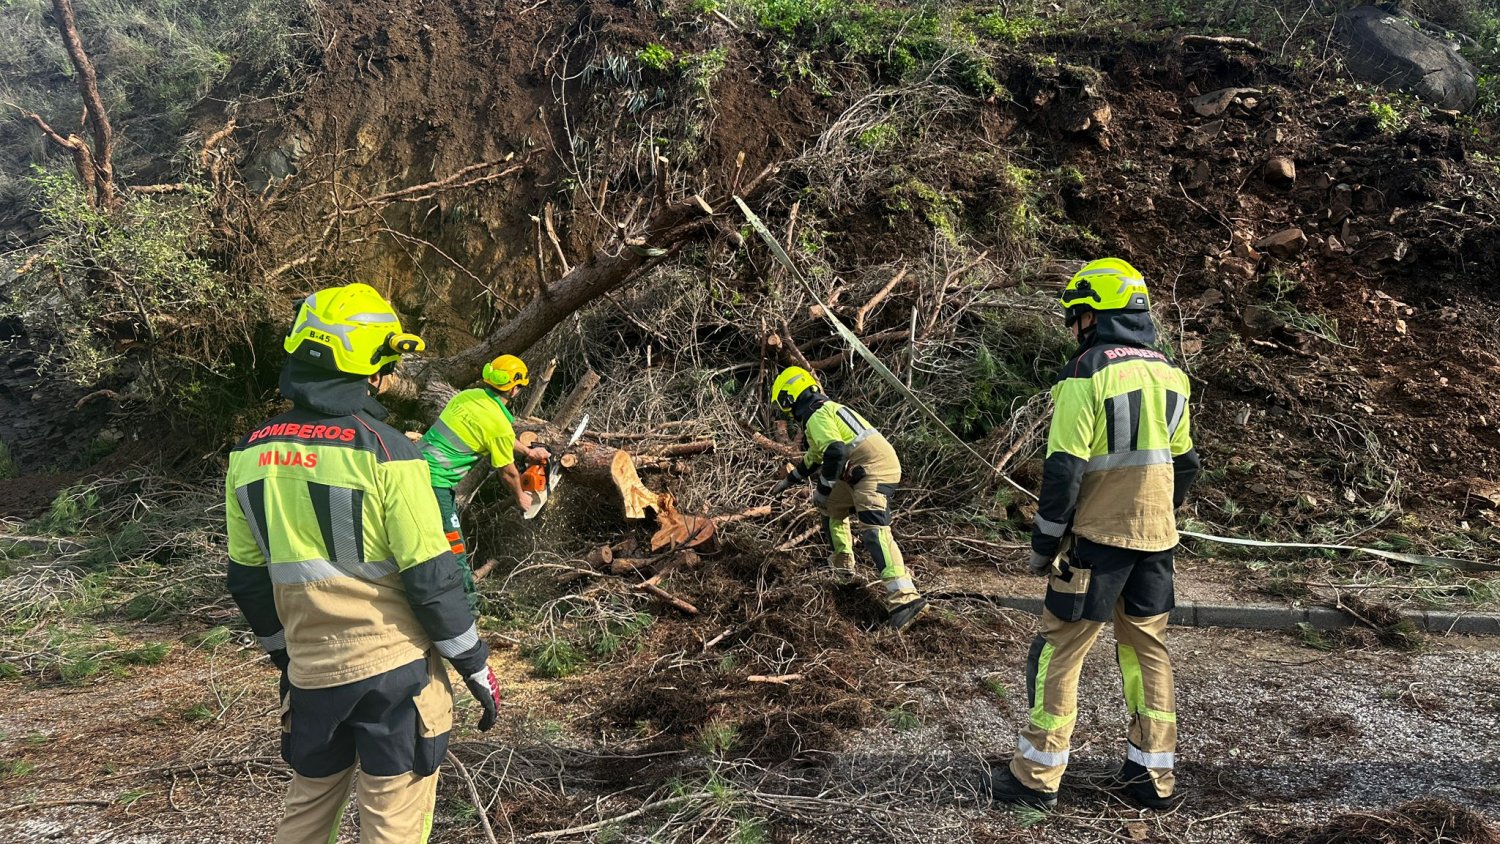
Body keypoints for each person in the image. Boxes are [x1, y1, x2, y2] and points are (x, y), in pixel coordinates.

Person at [226, 282, 502, 843]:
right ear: (373, 368)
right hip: (394, 674)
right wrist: (474, 664)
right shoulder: (390, 453)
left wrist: (286, 658)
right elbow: (431, 578)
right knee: (392, 822)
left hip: (310, 672)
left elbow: (248, 581)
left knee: (306, 811)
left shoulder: (249, 455)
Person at [981, 258, 1201, 812]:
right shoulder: (1172, 374)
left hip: (1097, 543)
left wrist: (1043, 542)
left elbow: (1064, 469)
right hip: (1158, 543)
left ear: (1096, 314)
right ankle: (1152, 777)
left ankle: (1037, 776)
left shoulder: (1087, 371)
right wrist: (1160, 515)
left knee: (1058, 650)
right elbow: (1187, 464)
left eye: (1078, 314)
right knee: (1147, 651)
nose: (1075, 326)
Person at [767, 366, 928, 632]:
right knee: (832, 509)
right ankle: (843, 572)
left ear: (789, 398)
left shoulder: (817, 415)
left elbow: (835, 450)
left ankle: (905, 600)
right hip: (862, 469)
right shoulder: (824, 411)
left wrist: (822, 489)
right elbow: (816, 456)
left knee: (874, 530)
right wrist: (789, 480)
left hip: (874, 469)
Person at [419, 355, 550, 613]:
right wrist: (523, 497)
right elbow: (508, 474)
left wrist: (528, 453)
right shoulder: (498, 424)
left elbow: (491, 433)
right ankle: (467, 612)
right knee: (454, 548)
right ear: (515, 388)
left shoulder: (467, 397)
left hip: (410, 466)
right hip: (434, 483)